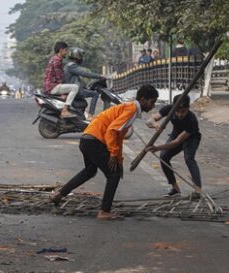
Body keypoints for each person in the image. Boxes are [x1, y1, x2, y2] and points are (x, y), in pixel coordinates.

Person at [50, 85, 159, 220]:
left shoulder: (129, 108)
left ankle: (59, 195)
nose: (153, 106)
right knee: (114, 174)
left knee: (90, 171)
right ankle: (104, 211)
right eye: (152, 102)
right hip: (94, 141)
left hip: (87, 139)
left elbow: (117, 136)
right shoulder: (131, 109)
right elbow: (112, 131)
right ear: (143, 100)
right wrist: (114, 154)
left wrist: (118, 158)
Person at [145, 94, 202, 199]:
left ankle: (198, 191)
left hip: (191, 138)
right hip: (176, 133)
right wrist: (155, 125)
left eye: (183, 112)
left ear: (188, 109)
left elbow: (177, 142)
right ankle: (175, 189)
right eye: (177, 112)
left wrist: (157, 148)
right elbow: (149, 121)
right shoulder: (169, 109)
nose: (180, 115)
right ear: (173, 108)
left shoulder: (192, 120)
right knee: (164, 157)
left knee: (189, 159)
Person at [63, 47, 106, 119]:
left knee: (88, 93)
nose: (81, 58)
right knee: (95, 94)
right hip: (75, 91)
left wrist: (86, 86)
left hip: (72, 89)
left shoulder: (68, 65)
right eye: (81, 56)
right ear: (77, 56)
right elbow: (84, 73)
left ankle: (81, 116)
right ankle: (90, 115)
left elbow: (76, 80)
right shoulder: (72, 66)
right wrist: (99, 76)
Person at [44, 41, 79, 118]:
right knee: (75, 87)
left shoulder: (54, 58)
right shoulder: (57, 60)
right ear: (61, 50)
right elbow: (58, 77)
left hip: (50, 86)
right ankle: (65, 110)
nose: (66, 52)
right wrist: (62, 93)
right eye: (65, 50)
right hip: (52, 87)